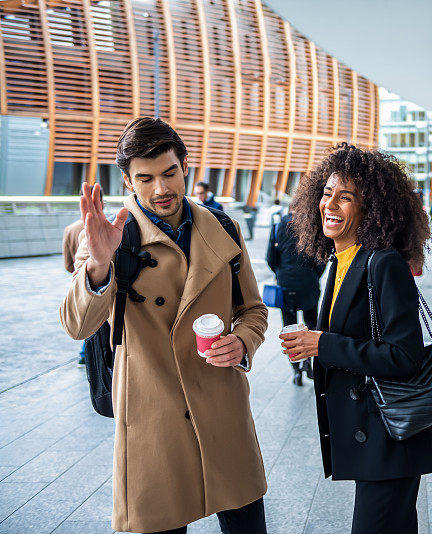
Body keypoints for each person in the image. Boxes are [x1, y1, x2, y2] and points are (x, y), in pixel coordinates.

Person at [59, 118, 269, 534]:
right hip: (152, 418)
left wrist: (243, 342)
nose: (161, 189)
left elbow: (253, 310)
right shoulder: (108, 237)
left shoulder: (224, 228)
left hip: (222, 407)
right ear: (126, 180)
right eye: (146, 178)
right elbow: (77, 325)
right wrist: (100, 264)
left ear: (185, 165)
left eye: (169, 173)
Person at [278, 143, 432, 534]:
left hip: (391, 441)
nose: (330, 204)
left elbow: (405, 356)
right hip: (376, 441)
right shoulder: (341, 261)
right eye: (326, 192)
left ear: (370, 209)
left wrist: (322, 344)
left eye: (345, 197)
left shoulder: (382, 262)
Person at [266, 208, 325, 386]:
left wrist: (281, 272)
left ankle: (296, 370)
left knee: (290, 328)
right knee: (311, 323)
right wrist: (314, 275)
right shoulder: (314, 226)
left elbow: (270, 257)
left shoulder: (278, 226)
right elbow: (321, 259)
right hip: (308, 282)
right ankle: (308, 361)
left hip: (286, 283)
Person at [63, 216, 86, 364]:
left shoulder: (70, 229)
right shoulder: (111, 224)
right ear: (102, 202)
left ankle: (84, 354)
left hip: (77, 281)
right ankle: (85, 353)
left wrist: (78, 272)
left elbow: (67, 264)